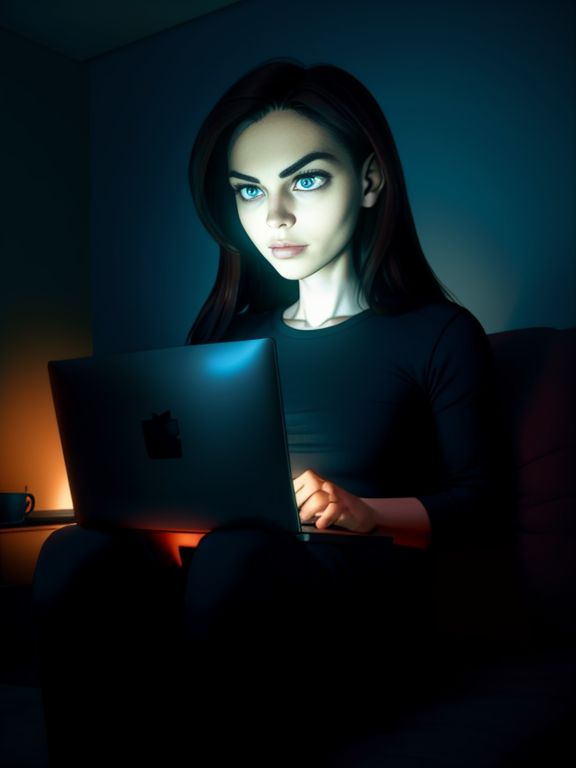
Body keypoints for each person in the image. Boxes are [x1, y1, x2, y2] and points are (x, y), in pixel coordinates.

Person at [33, 58, 500, 767]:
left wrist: (366, 510)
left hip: (356, 584)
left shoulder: (437, 331)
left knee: (240, 554)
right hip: (224, 570)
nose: (274, 218)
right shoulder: (228, 335)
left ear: (370, 180)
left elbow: (483, 504)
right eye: (249, 190)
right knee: (76, 550)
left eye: (306, 180)